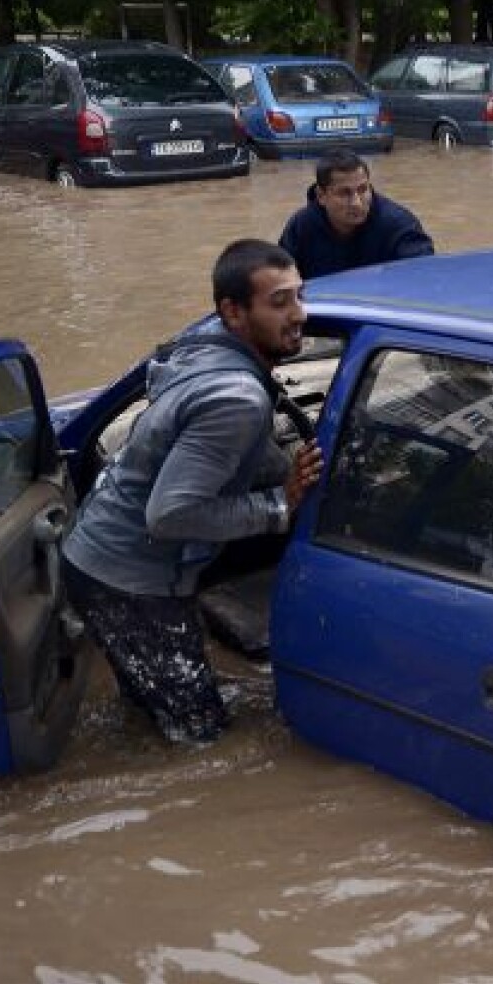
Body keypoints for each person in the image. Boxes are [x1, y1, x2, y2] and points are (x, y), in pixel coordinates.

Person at [60, 238, 324, 743]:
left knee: (155, 709)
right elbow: (171, 515)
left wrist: (288, 468)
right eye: (279, 302)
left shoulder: (207, 351)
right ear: (233, 312)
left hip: (100, 558)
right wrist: (280, 503)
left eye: (299, 295)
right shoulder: (237, 398)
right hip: (128, 581)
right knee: (201, 737)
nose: (300, 314)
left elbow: (242, 451)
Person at [277, 149, 434, 280]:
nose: (356, 203)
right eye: (344, 193)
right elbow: (279, 279)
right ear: (321, 196)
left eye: (363, 189)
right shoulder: (301, 226)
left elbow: (422, 279)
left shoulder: (399, 226)